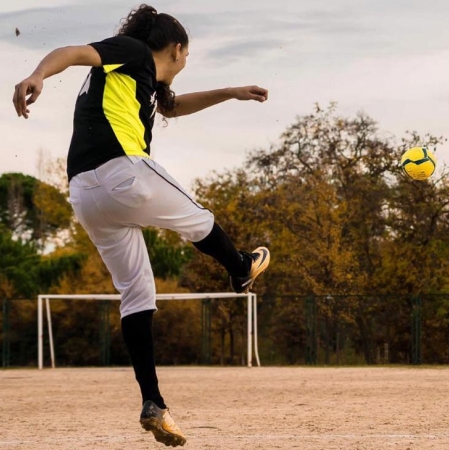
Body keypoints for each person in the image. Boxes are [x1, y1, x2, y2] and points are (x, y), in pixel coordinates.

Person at [12, 5, 271, 447]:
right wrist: (37, 74)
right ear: (176, 48)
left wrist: (230, 92)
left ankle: (154, 403)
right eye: (186, 57)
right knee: (199, 219)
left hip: (85, 194)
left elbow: (173, 107)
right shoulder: (130, 51)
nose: (185, 65)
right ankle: (241, 266)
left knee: (137, 293)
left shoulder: (136, 79)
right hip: (123, 174)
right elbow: (73, 51)